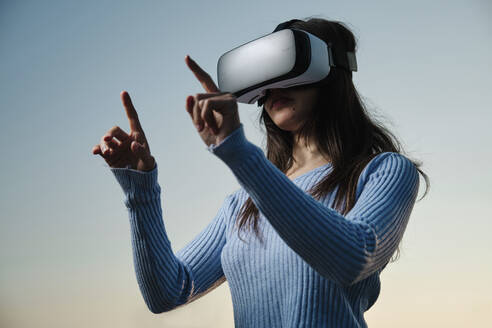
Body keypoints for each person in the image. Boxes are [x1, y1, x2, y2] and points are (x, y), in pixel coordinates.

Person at [92, 18, 430, 328]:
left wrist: (238, 153)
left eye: (288, 68)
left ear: (331, 71)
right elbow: (168, 291)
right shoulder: (242, 205)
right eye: (265, 78)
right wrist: (140, 189)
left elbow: (352, 258)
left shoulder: (384, 172)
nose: (273, 87)